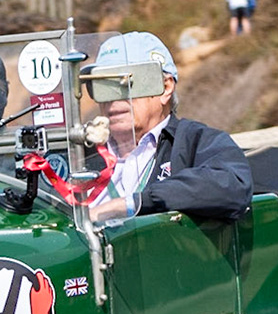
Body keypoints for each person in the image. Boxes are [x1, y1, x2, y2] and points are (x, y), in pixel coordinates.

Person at [83, 31, 251, 224]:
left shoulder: (195, 141)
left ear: (165, 88)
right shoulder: (80, 152)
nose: (113, 98)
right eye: (101, 86)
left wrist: (131, 204)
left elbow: (234, 186)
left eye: (125, 83)